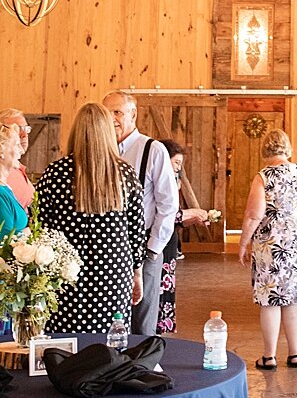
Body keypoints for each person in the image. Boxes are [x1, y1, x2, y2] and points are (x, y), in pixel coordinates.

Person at [35, 103, 146, 333]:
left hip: (65, 273)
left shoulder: (56, 173)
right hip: (113, 272)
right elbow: (136, 232)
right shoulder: (124, 174)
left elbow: (41, 227)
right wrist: (137, 273)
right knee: (110, 340)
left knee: (65, 338)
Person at [239, 128, 297, 370]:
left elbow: (254, 214)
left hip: (272, 244)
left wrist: (243, 243)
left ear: (265, 149)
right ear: (287, 148)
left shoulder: (264, 176)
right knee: (293, 300)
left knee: (270, 299)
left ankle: (269, 356)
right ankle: (295, 354)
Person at [103, 90, 178, 335]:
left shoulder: (152, 149)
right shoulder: (102, 149)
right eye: (107, 113)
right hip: (108, 245)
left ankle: (143, 368)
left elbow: (168, 203)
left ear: (133, 114)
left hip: (144, 245)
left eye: (117, 112)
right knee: (111, 311)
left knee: (142, 315)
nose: (112, 119)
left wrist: (154, 248)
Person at [156, 138, 210, 335]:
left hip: (169, 244)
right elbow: (161, 214)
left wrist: (193, 219)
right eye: (176, 163)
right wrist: (192, 213)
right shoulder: (153, 181)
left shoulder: (171, 182)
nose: (179, 168)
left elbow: (175, 218)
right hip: (156, 244)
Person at [0, 109, 34, 209]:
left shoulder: (17, 167)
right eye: (17, 129)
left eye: (26, 129)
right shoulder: (3, 170)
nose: (24, 135)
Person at [0, 122, 28, 240]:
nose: (21, 150)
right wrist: (26, 233)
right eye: (16, 145)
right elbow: (4, 240)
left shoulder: (6, 187)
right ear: (1, 151)